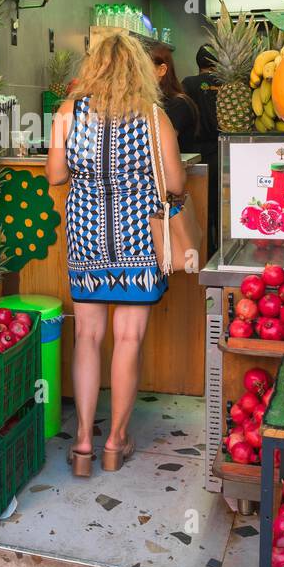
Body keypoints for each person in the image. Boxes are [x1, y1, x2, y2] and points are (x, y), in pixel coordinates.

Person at [46, 30, 185, 478]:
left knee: (87, 336)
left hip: (86, 235)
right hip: (138, 237)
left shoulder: (69, 112)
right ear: (139, 70)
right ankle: (115, 441)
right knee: (128, 339)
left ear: (94, 68)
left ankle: (83, 441)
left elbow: (54, 175)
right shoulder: (152, 116)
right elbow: (177, 185)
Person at [182, 44, 220, 253]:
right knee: (218, 204)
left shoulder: (188, 83)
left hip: (194, 154)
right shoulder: (226, 83)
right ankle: (218, 249)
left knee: (198, 205)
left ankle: (203, 249)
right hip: (220, 150)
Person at [149, 42, 199, 152]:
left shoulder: (178, 104)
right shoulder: (149, 102)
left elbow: (159, 147)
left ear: (162, 70)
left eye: (143, 68)